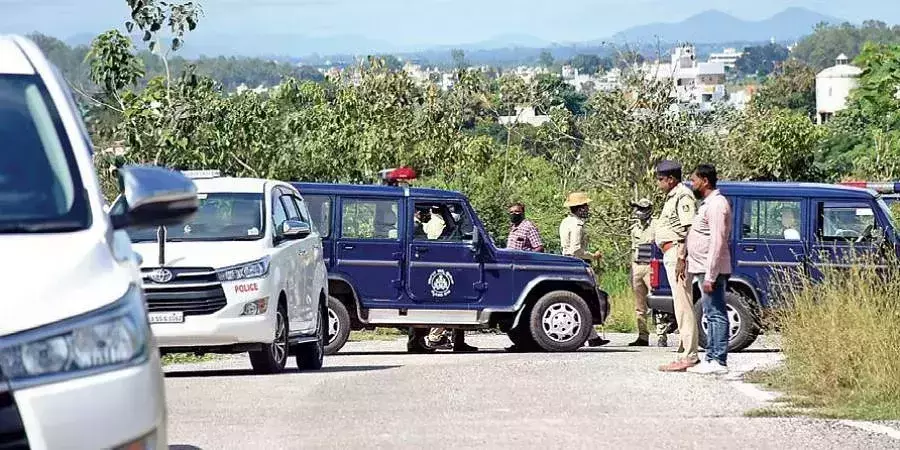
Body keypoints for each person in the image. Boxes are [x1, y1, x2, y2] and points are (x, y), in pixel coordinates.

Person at [684, 164, 733, 375]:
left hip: (710, 269)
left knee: (716, 313)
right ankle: (711, 357)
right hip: (702, 267)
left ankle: (718, 360)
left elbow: (717, 241)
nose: (692, 184)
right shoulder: (707, 204)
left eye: (694, 180)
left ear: (704, 180)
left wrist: (711, 275)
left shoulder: (717, 205)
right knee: (710, 313)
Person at [654, 160, 701, 372]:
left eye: (661, 179)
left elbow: (689, 228)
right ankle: (684, 351)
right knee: (680, 303)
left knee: (683, 304)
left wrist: (682, 256)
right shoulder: (673, 196)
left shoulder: (683, 196)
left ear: (671, 179)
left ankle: (689, 354)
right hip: (671, 252)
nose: (658, 184)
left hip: (678, 252)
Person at [559, 192, 609, 347]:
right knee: (584, 298)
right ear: (579, 208)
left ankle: (592, 336)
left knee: (578, 299)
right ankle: (589, 335)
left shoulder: (565, 222)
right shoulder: (577, 225)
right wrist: (593, 256)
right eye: (585, 206)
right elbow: (576, 250)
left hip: (567, 262)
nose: (587, 208)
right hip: (577, 263)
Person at [627, 198, 669, 347]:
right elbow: (633, 249)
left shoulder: (657, 225)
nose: (639, 211)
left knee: (657, 303)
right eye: (637, 208)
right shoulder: (634, 228)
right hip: (638, 266)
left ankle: (661, 336)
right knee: (640, 305)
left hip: (652, 267)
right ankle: (643, 336)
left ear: (649, 210)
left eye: (642, 208)